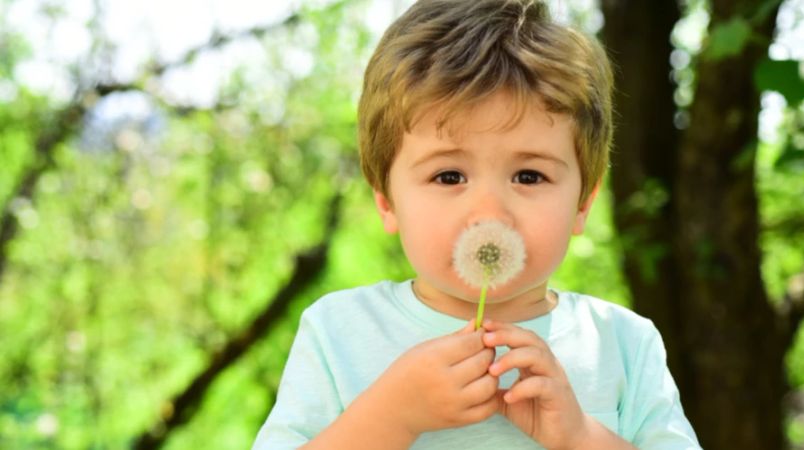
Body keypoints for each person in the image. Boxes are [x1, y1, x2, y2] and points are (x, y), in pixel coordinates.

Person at [252, 0, 701, 448]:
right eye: (448, 176)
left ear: (583, 202)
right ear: (386, 201)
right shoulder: (338, 332)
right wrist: (391, 415)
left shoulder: (622, 345)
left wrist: (580, 435)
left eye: (529, 176)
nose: (489, 211)